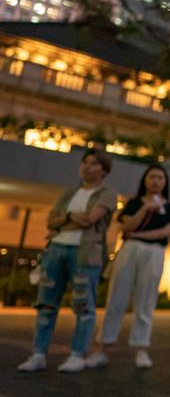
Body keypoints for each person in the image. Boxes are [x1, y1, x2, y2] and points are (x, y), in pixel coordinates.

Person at [17, 148, 118, 373]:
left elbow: (91, 219)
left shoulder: (107, 193)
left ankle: (77, 354)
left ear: (104, 170)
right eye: (84, 162)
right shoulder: (69, 192)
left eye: (93, 163)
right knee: (46, 304)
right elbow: (50, 221)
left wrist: (62, 221)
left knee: (83, 305)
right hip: (56, 250)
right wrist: (72, 217)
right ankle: (38, 353)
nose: (87, 167)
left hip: (84, 253)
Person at [86, 164, 170, 369]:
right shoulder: (134, 204)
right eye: (151, 177)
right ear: (145, 180)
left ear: (165, 182)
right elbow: (127, 225)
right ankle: (103, 348)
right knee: (116, 298)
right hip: (130, 250)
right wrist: (145, 208)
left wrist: (138, 235)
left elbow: (165, 232)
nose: (156, 181)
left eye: (160, 178)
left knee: (146, 300)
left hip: (154, 252)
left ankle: (141, 348)